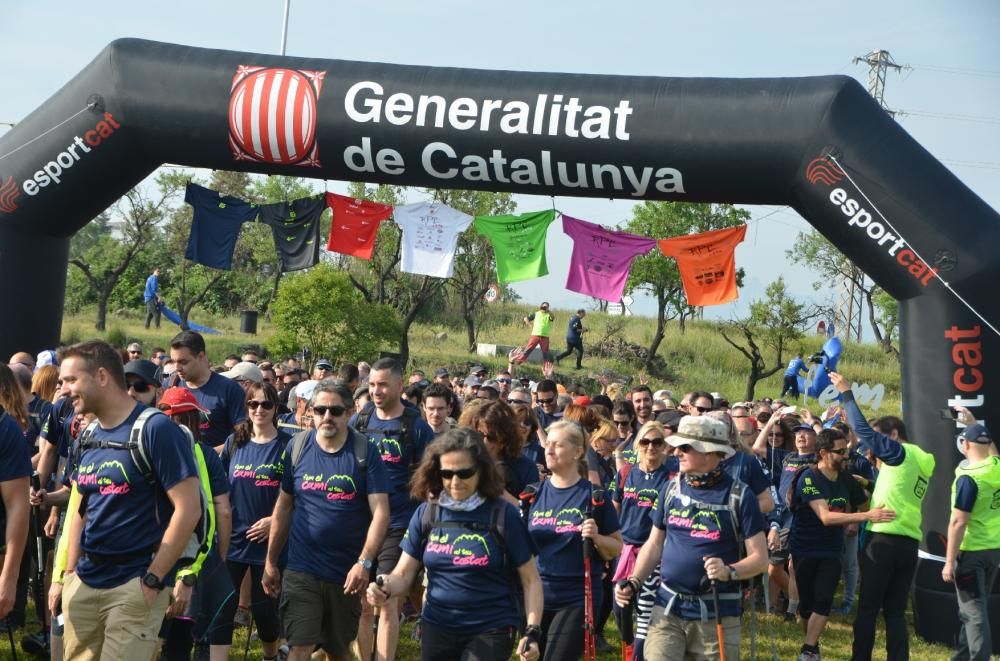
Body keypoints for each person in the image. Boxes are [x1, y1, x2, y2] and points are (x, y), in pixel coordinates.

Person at [50, 340, 202, 659]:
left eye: (70, 380)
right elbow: (81, 508)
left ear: (102, 376)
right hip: (86, 581)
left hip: (135, 584)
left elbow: (189, 509)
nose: (63, 390)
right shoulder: (89, 435)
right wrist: (69, 573)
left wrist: (153, 579)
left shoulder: (157, 430)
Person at [366, 428, 543, 661]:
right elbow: (403, 574)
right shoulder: (427, 513)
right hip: (437, 624)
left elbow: (531, 580)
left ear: (481, 470)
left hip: (491, 627)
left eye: (464, 472)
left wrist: (532, 631)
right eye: (447, 474)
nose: (455, 481)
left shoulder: (503, 514)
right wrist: (385, 586)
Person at [614, 415, 768, 660]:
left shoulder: (740, 496)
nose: (676, 452)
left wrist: (729, 571)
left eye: (685, 447)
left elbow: (760, 559)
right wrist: (634, 581)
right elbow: (654, 544)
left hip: (717, 612)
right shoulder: (671, 489)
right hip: (667, 608)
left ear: (709, 452)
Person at [262, 380, 391, 661]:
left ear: (348, 413)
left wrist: (364, 562)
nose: (327, 417)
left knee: (337, 649)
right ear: (311, 412)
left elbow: (381, 512)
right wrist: (271, 561)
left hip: (346, 573)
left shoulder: (365, 451)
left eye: (335, 410)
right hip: (301, 568)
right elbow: (284, 507)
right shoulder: (297, 448)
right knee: (299, 646)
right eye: (320, 410)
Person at [829, 372, 937, 661]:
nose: (870, 448)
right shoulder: (918, 460)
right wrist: (866, 484)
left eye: (878, 439)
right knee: (895, 612)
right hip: (908, 543)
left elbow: (862, 429)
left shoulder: (898, 453)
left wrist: (846, 392)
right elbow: (895, 492)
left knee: (867, 609)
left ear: (892, 436)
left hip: (883, 541)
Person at [351, 358, 434, 661]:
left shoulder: (416, 426)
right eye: (372, 384)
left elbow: (432, 474)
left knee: (385, 599)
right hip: (363, 523)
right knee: (360, 601)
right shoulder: (360, 421)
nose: (376, 390)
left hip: (400, 522)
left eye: (383, 384)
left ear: (400, 385)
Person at [787, 428, 894, 661]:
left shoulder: (846, 477)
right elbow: (825, 518)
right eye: (840, 451)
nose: (846, 455)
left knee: (824, 599)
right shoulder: (808, 478)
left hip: (832, 550)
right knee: (807, 605)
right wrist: (866, 517)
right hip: (804, 548)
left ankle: (808, 650)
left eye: (846, 450)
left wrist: (867, 482)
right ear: (824, 452)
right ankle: (812, 645)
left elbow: (866, 504)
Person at [528, 420, 622, 660]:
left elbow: (616, 547)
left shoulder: (594, 496)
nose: (548, 450)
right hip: (536, 596)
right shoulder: (533, 494)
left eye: (557, 445)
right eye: (547, 444)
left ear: (578, 452)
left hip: (578, 595)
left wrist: (596, 537)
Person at [216, 382, 290, 661]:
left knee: (265, 612)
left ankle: (271, 656)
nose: (259, 409)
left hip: (270, 542)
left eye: (266, 404)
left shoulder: (288, 446)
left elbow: (297, 494)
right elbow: (220, 486)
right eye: (253, 404)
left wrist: (275, 520)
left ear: (276, 409)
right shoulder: (234, 441)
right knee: (224, 606)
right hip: (233, 538)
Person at [611, 420, 673, 661]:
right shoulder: (625, 473)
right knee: (621, 606)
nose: (651, 447)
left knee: (646, 608)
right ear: (638, 445)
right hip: (624, 550)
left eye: (657, 442)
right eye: (645, 442)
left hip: (655, 551)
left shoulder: (671, 477)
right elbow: (613, 511)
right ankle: (629, 649)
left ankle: (640, 654)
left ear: (664, 446)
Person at [941, 423, 999, 661]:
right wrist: (975, 421)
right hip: (993, 550)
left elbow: (958, 522)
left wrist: (949, 561)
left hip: (971, 552)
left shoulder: (968, 478)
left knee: (973, 614)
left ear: (964, 445)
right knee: (974, 609)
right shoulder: (996, 466)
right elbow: (993, 451)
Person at [170, 331, 247, 447]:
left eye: (183, 362)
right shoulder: (171, 386)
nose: (177, 368)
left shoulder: (229, 389)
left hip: (215, 462)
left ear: (201, 356)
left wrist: (211, 455)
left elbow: (243, 433)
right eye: (174, 361)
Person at [470, 400, 539, 505]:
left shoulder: (526, 467)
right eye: (479, 434)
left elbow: (530, 513)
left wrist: (499, 492)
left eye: (491, 437)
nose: (484, 441)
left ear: (506, 436)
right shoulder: (467, 461)